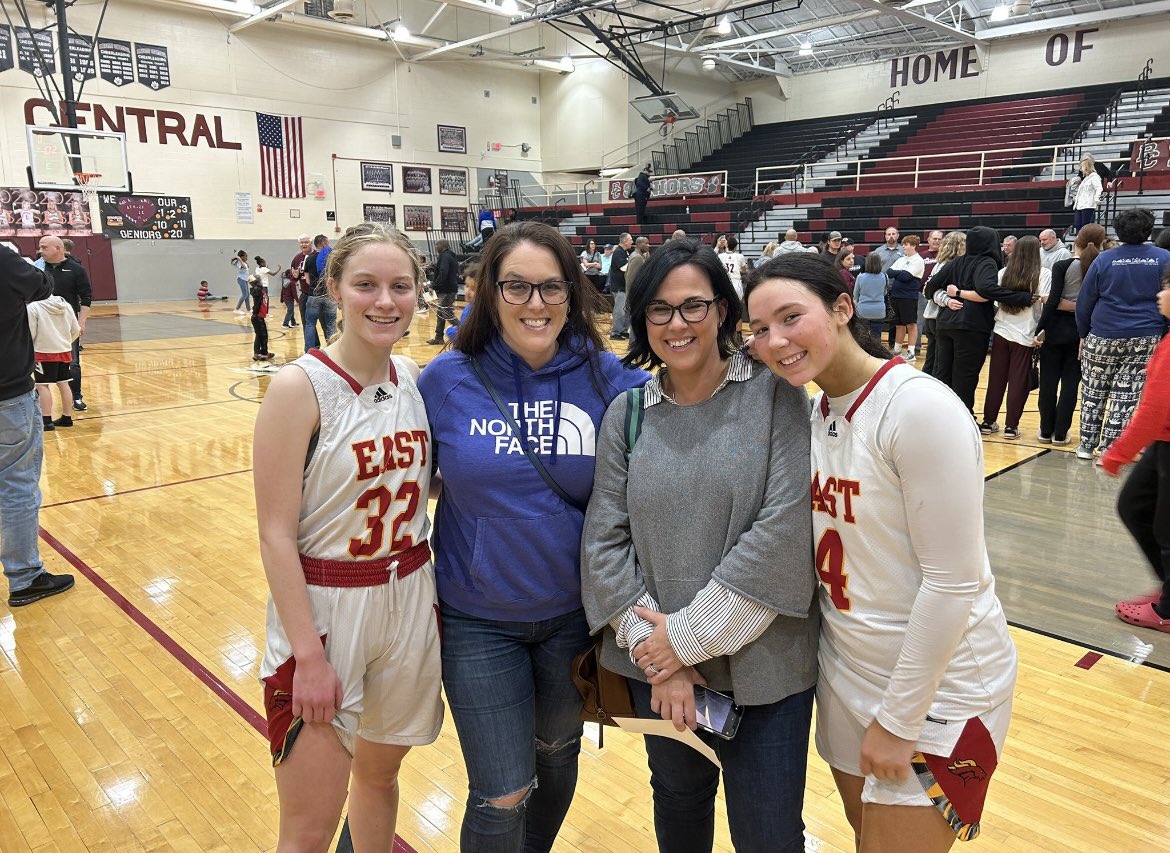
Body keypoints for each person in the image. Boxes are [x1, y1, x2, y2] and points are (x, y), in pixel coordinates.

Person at [744, 252, 1017, 853]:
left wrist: (899, 721)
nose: (776, 340)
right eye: (760, 329)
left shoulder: (918, 408)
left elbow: (953, 583)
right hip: (846, 672)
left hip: (941, 689)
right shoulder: (810, 413)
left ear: (843, 308)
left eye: (791, 317)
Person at [580, 239, 817, 853]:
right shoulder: (627, 414)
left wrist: (677, 643)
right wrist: (663, 661)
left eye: (693, 306)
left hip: (766, 672)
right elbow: (603, 544)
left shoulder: (777, 397)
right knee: (680, 813)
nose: (677, 323)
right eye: (659, 309)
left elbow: (783, 532)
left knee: (768, 835)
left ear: (722, 312)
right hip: (661, 678)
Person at [417, 220, 647, 852]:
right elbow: (405, 476)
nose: (535, 303)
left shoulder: (609, 379)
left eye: (550, 287)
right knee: (501, 791)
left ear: (572, 294)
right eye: (516, 286)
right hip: (476, 619)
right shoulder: (445, 379)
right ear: (490, 292)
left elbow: (692, 413)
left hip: (573, 617)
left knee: (556, 760)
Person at [255, 223, 442, 852]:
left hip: (412, 595)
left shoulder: (413, 378)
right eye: (366, 285)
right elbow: (275, 535)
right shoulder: (298, 387)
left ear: (419, 293)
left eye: (400, 286)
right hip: (329, 612)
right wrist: (307, 656)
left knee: (379, 779)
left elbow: (419, 485)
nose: (385, 301)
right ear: (334, 287)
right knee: (308, 827)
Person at [1, 243, 74, 606]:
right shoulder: (3, 259)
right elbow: (42, 285)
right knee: (17, 485)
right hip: (7, 395)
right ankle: (25, 576)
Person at [1101, 266, 1170, 633]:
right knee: (1134, 506)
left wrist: (1117, 454)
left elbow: (1154, 410)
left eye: (1167, 288)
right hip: (1164, 443)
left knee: (1165, 529)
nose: (1159, 295)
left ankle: (1168, 610)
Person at [1075, 208, 1170, 461]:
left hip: (1103, 333)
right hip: (1145, 335)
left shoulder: (1104, 259)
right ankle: (1109, 449)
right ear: (1150, 230)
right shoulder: (1164, 258)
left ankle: (1085, 446)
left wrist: (1084, 333)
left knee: (1093, 392)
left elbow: (1085, 301)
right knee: (1125, 396)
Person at [926, 227, 1033, 417]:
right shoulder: (987, 262)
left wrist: (947, 299)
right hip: (971, 327)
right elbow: (986, 289)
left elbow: (929, 288)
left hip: (945, 324)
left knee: (943, 373)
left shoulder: (956, 261)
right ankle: (963, 418)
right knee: (965, 376)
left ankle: (940, 416)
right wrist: (1021, 297)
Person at [1034, 225, 1104, 444]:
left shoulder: (1062, 265)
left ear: (1077, 242)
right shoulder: (1101, 266)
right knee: (1071, 384)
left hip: (1055, 330)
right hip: (1083, 331)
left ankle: (1045, 431)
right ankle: (1061, 433)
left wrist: (1039, 331)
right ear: (1101, 243)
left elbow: (1052, 302)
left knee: (1048, 382)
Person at [978, 235, 1050, 440]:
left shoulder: (1003, 273)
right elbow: (1046, 304)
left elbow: (995, 302)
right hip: (1026, 333)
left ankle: (988, 422)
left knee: (996, 379)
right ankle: (1011, 426)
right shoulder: (1043, 274)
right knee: (1019, 381)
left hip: (1001, 330)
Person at [38, 236, 91, 412]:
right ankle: (40, 401)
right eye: (40, 247)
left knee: (72, 362)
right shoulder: (37, 268)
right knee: (37, 361)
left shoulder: (76, 269)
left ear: (58, 248)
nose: (40, 251)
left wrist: (81, 322)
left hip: (66, 325)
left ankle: (76, 397)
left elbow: (86, 297)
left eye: (44, 247)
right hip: (42, 323)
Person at [27, 290, 80, 430]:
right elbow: (76, 329)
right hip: (64, 351)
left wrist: (30, 350)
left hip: (43, 352)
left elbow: (30, 333)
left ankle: (47, 421)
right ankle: (67, 417)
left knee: (42, 385)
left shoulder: (34, 307)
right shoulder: (65, 305)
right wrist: (66, 343)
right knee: (63, 384)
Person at [921, 231, 965, 379]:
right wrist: (947, 300)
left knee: (932, 361)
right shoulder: (945, 265)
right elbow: (929, 289)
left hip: (933, 318)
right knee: (938, 365)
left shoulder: (940, 263)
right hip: (937, 317)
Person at [887, 236, 925, 359]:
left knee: (910, 324)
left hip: (908, 297)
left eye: (906, 244)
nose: (903, 246)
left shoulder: (918, 260)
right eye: (903, 244)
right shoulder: (901, 259)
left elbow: (906, 277)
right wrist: (901, 273)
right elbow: (889, 272)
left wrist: (899, 273)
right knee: (898, 324)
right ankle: (897, 350)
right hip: (896, 295)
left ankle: (911, 352)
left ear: (913, 246)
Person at [303, 235, 338, 352]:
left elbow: (307, 280)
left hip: (313, 295)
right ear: (324, 242)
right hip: (329, 295)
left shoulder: (309, 258)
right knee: (330, 325)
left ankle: (309, 351)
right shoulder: (331, 257)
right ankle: (332, 350)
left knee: (310, 324)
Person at [426, 239, 460, 344]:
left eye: (437, 245)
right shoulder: (451, 256)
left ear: (443, 246)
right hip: (450, 288)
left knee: (446, 313)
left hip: (446, 290)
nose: (436, 247)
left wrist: (434, 285)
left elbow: (443, 272)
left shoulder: (444, 256)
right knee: (441, 313)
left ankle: (464, 331)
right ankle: (439, 337)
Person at [853, 252, 888, 341]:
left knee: (862, 337)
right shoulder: (885, 276)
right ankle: (876, 354)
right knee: (876, 338)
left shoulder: (860, 277)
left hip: (863, 310)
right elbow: (885, 293)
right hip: (879, 311)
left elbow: (855, 295)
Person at [608, 232, 634, 340]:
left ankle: (623, 330)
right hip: (619, 287)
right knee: (619, 311)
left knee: (626, 310)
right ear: (624, 241)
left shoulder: (625, 252)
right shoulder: (618, 252)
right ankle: (615, 332)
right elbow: (623, 268)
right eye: (630, 239)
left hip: (624, 287)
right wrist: (634, 262)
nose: (632, 241)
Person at [445, 262, 478, 341]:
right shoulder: (469, 307)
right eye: (466, 286)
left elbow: (464, 338)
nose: (467, 291)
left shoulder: (474, 311)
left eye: (473, 289)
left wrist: (450, 331)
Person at [1073, 156, 1103, 234]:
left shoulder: (1094, 177)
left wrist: (1096, 198)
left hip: (1088, 205)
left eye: (1081, 167)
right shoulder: (1086, 178)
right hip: (1080, 205)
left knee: (1086, 227)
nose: (1080, 169)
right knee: (1078, 225)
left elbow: (1099, 188)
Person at [250, 272, 273, 362]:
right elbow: (256, 292)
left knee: (263, 335)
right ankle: (257, 353)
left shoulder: (261, 290)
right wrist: (254, 282)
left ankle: (264, 352)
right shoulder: (256, 291)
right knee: (260, 335)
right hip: (257, 316)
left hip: (260, 316)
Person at [232, 250, 251, 314]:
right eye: (246, 256)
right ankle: (237, 309)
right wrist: (239, 259)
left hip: (245, 280)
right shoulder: (239, 263)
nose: (247, 258)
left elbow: (247, 266)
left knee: (247, 295)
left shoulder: (243, 262)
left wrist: (242, 260)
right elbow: (244, 267)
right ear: (242, 257)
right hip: (241, 279)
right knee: (244, 295)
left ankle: (249, 309)